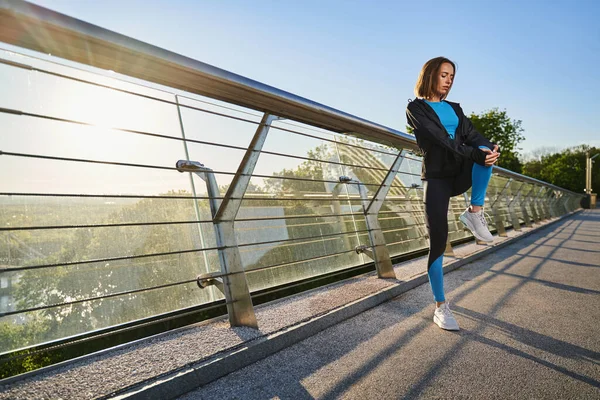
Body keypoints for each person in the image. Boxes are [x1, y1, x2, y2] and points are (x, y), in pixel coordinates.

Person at [406, 57, 500, 331]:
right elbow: (440, 140)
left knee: (485, 154)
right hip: (436, 178)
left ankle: (475, 213)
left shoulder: (455, 109)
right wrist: (475, 152)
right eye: (444, 74)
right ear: (430, 75)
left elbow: (474, 136)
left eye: (452, 76)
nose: (448, 79)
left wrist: (488, 147)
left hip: (459, 172)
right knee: (438, 240)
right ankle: (440, 306)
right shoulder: (416, 108)